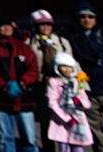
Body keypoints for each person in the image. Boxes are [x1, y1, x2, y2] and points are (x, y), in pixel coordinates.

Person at [0, 14, 39, 152]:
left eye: (9, 25)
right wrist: (4, 86)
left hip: (24, 99)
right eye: (3, 26)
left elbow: (33, 69)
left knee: (30, 139)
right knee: (5, 138)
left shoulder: (23, 48)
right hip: (2, 100)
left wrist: (22, 82)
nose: (6, 28)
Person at [65, 1, 103, 152]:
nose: (87, 20)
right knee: (96, 131)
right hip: (87, 91)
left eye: (90, 17)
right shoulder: (70, 38)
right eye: (83, 17)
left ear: (96, 19)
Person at [25, 9, 76, 152]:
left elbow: (71, 62)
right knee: (45, 122)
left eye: (48, 24)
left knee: (65, 119)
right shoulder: (30, 43)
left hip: (62, 85)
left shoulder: (61, 42)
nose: (45, 28)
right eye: (42, 25)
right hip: (41, 85)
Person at [47, 52, 93, 152]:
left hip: (78, 120)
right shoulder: (54, 82)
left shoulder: (77, 82)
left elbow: (86, 101)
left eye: (69, 67)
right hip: (62, 121)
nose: (67, 70)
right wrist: (66, 119)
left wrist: (80, 103)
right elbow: (52, 103)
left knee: (78, 148)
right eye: (63, 67)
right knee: (64, 147)